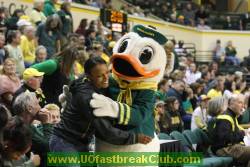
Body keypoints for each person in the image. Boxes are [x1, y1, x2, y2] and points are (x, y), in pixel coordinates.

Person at [50, 56, 152, 156]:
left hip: (79, 142)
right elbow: (106, 131)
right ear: (88, 76)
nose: (106, 78)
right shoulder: (88, 98)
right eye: (100, 76)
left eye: (107, 72)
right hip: (65, 141)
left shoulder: (90, 85)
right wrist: (135, 138)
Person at [210, 94, 250, 166]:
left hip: (230, 147)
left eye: (244, 104)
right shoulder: (225, 117)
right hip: (223, 149)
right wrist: (242, 133)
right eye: (240, 103)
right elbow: (224, 138)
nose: (243, 106)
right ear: (231, 103)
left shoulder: (232, 116)